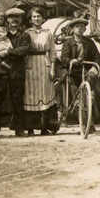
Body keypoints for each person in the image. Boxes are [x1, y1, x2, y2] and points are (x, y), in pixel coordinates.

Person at [0, 7, 31, 137]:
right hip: (0, 70)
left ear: (21, 20)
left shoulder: (24, 35)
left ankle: (19, 128)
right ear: (7, 20)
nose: (14, 20)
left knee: (17, 99)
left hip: (16, 71)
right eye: (11, 17)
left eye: (17, 17)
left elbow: (24, 49)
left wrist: (8, 52)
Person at [60, 18, 100, 129]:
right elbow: (63, 58)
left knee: (90, 93)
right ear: (73, 29)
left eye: (82, 27)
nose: (80, 29)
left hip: (86, 71)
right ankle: (75, 116)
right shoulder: (68, 43)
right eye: (77, 27)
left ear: (85, 29)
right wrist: (71, 61)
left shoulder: (89, 43)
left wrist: (94, 67)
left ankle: (90, 120)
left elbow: (98, 57)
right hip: (73, 72)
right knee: (74, 93)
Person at [23, 7, 57, 136]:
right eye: (34, 17)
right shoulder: (27, 33)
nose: (36, 19)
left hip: (44, 64)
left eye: (39, 16)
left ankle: (44, 127)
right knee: (30, 95)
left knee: (44, 95)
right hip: (30, 65)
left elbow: (52, 52)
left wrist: (52, 68)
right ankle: (30, 128)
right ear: (30, 19)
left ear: (43, 18)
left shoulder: (48, 33)